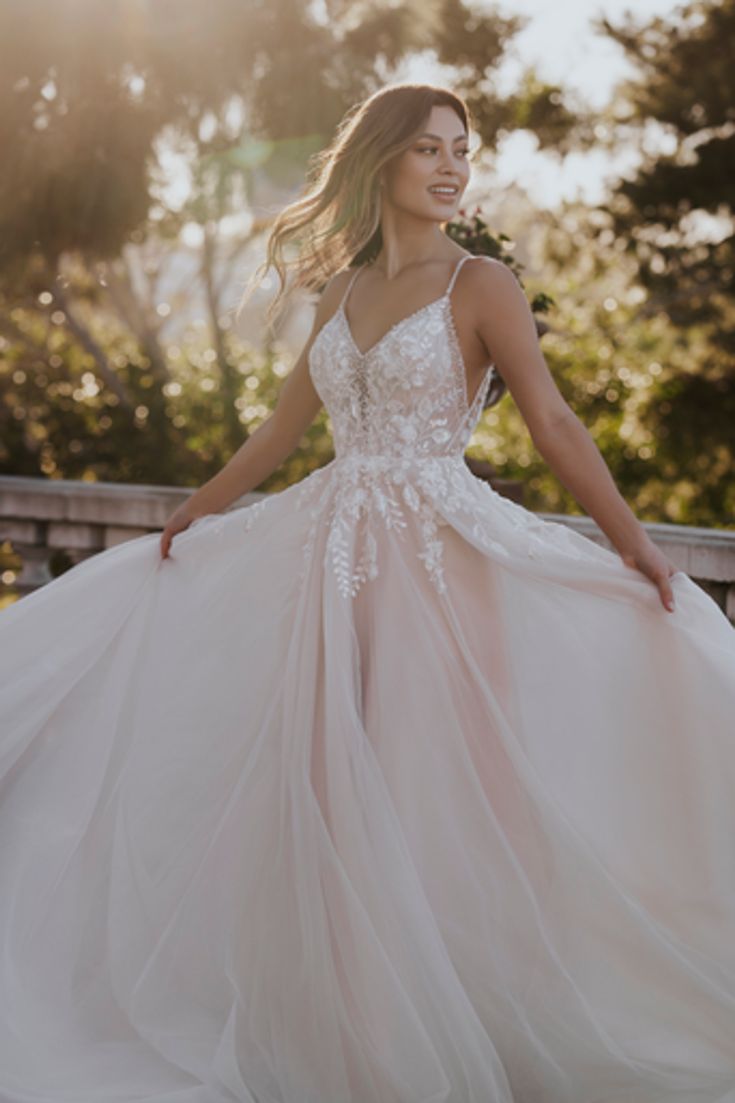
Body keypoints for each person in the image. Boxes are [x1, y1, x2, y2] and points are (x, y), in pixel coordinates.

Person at [1, 81, 735, 1103]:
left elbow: (555, 424)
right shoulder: (342, 290)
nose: (450, 166)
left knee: (440, 797)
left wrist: (639, 548)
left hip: (440, 565)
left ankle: (465, 1020)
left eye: (461, 149)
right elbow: (281, 431)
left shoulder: (483, 283)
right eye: (428, 147)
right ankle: (362, 1027)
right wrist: (196, 510)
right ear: (381, 160)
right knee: (336, 800)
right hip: (328, 567)